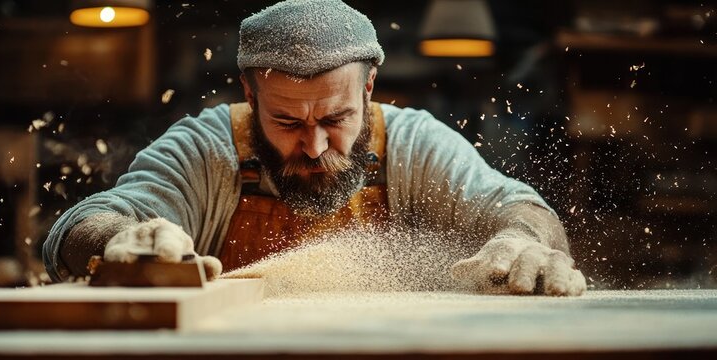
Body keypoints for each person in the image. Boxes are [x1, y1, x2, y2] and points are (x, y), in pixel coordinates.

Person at [43, 0, 586, 296]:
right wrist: (120, 238)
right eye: (286, 120)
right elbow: (80, 227)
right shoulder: (205, 149)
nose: (315, 143)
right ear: (250, 93)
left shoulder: (413, 144)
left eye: (337, 117)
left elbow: (519, 208)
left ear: (368, 89)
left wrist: (523, 238)